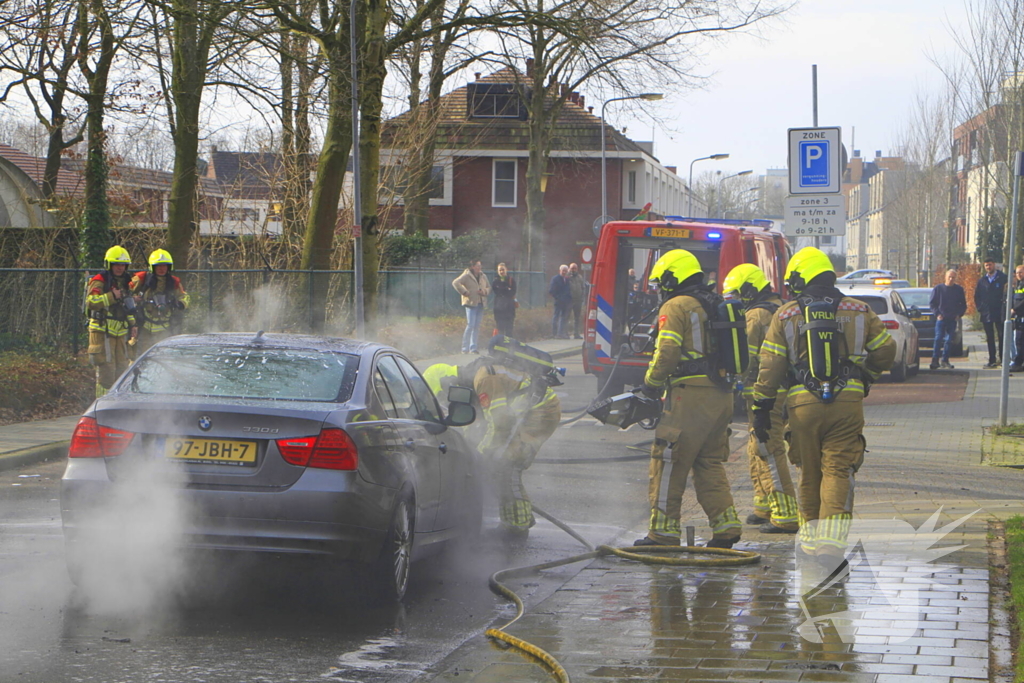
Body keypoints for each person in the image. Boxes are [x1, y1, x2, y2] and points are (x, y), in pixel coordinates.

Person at [752, 247, 896, 571]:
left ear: (801, 279)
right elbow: (887, 350)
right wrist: (865, 377)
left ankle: (809, 543)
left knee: (810, 473)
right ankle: (831, 548)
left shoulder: (786, 314)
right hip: (847, 402)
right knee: (838, 471)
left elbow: (771, 365)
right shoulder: (859, 310)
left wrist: (761, 406)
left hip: (802, 403)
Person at [634, 249, 742, 549]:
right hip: (721, 395)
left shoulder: (676, 305)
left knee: (669, 460)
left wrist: (650, 384)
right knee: (709, 462)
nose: (660, 289)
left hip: (688, 396)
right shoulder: (716, 303)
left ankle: (663, 534)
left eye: (661, 282)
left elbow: (667, 353)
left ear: (672, 277)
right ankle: (727, 528)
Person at [721, 263, 799, 534]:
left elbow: (745, 360)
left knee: (768, 447)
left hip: (765, 394)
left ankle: (786, 513)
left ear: (748, 291)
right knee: (757, 446)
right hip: (784, 391)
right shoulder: (783, 307)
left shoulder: (755, 316)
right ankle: (763, 504)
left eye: (734, 296)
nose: (732, 302)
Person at [473, 338, 562, 537]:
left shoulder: (485, 379)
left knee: (509, 465)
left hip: (541, 412)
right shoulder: (488, 373)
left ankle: (517, 526)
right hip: (535, 409)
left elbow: (499, 423)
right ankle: (520, 516)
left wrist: (480, 454)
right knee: (502, 464)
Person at [86, 246, 138, 397]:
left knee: (122, 368)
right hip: (103, 331)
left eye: (122, 265)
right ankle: (101, 402)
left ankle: (118, 401)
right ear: (109, 265)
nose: (120, 268)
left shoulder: (125, 282)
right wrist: (111, 296)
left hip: (120, 332)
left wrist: (133, 324)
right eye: (116, 264)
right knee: (107, 371)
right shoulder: (99, 281)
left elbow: (125, 306)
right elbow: (91, 302)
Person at [129, 249, 190, 354]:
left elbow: (185, 296)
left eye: (164, 266)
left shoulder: (173, 282)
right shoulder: (142, 278)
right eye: (158, 266)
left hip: (164, 326)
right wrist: (134, 298)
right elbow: (126, 292)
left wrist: (180, 303)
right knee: (141, 355)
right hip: (144, 325)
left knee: (163, 356)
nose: (162, 269)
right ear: (152, 267)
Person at [928, 269, 967, 370]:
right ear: (945, 277)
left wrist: (959, 314)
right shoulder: (938, 289)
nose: (951, 279)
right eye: (949, 277)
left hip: (952, 319)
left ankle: (945, 360)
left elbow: (963, 304)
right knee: (938, 338)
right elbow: (932, 303)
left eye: (953, 277)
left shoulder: (958, 290)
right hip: (941, 319)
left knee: (949, 340)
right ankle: (935, 360)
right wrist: (937, 314)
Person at [452, 259, 490, 354]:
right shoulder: (467, 275)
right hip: (470, 303)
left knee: (477, 326)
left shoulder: (483, 276)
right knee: (470, 325)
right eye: (477, 266)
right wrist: (464, 292)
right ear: (472, 266)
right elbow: (455, 282)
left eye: (480, 266)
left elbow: (489, 287)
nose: (479, 268)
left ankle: (473, 348)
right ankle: (465, 348)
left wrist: (484, 292)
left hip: (480, 302)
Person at [975, 259, 1008, 368]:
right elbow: (977, 296)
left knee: (1002, 335)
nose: (988, 267)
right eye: (986, 265)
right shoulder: (982, 281)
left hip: (1000, 312)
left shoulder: (1003, 278)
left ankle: (1003, 360)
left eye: (990, 265)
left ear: (994, 265)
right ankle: (992, 360)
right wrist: (980, 308)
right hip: (986, 313)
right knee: (990, 337)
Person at [491, 263, 517, 338]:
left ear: (506, 270)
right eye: (500, 270)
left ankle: (509, 344)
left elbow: (512, 292)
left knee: (509, 327)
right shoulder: (495, 281)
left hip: (509, 307)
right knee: (500, 327)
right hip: (499, 307)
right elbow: (497, 291)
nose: (501, 272)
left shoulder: (511, 280)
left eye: (503, 270)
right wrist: (506, 289)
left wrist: (504, 289)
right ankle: (501, 344)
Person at [548, 264, 572, 339]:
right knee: (556, 317)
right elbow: (551, 291)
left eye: (566, 271)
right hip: (558, 301)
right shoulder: (555, 279)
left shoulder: (567, 280)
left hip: (565, 302)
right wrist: (558, 298)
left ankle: (561, 333)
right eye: (563, 271)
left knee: (563, 318)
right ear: (560, 271)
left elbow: (568, 290)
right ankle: (554, 333)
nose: (564, 272)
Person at [1010, 265, 1024, 372]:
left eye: (1021, 272)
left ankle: (1018, 362)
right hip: (1018, 317)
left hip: (1021, 314)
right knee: (1018, 341)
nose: (1019, 275)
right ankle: (1018, 362)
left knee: (1020, 340)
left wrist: (1014, 309)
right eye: (1017, 273)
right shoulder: (1018, 285)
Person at [567, 263, 586, 340]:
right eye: (572, 268)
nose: (573, 270)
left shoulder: (579, 277)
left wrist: (582, 297)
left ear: (577, 269)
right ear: (569, 268)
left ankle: (576, 333)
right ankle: (566, 333)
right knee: (567, 317)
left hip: (578, 300)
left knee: (577, 318)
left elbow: (583, 287)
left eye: (574, 268)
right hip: (569, 300)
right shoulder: (567, 277)